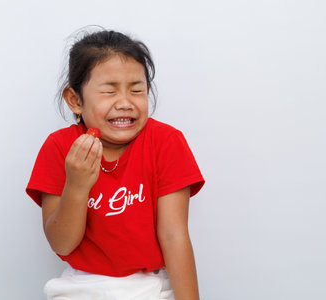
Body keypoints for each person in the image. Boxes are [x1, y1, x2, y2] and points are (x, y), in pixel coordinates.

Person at [26, 28, 205, 300]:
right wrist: (76, 185)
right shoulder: (59, 147)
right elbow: (62, 244)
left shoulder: (167, 142)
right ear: (75, 100)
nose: (125, 103)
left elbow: (174, 236)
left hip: (152, 286)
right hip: (81, 287)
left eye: (137, 90)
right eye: (109, 91)